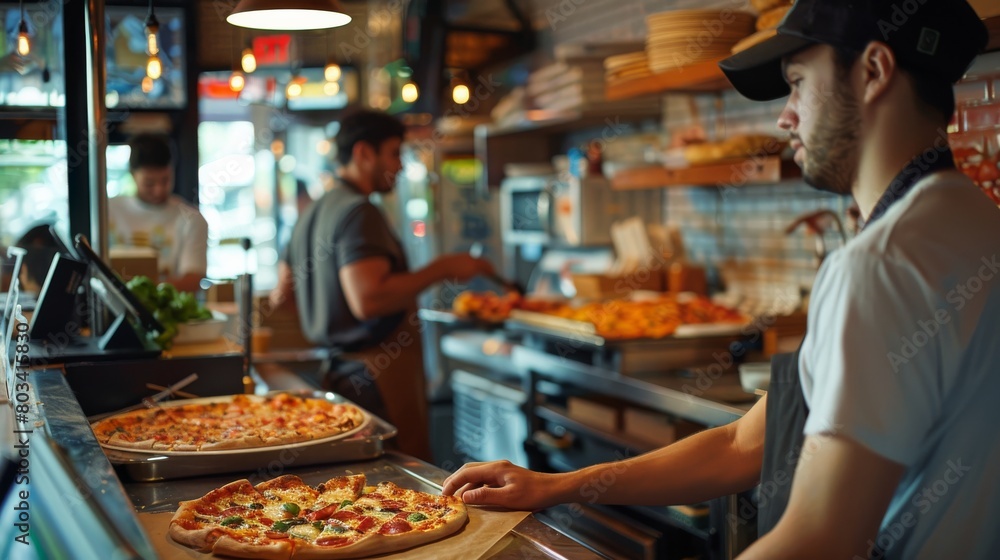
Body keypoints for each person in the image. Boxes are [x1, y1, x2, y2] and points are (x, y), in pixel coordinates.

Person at [444, 1, 1000, 558]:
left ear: (875, 72)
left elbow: (819, 537)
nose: (786, 118)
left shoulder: (877, 265)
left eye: (799, 84)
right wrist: (554, 486)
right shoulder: (976, 222)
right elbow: (743, 443)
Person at [270, 109, 494, 461]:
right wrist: (443, 268)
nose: (401, 166)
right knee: (402, 491)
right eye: (394, 153)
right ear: (363, 153)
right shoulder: (360, 211)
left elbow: (281, 296)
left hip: (340, 371)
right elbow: (369, 300)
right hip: (378, 375)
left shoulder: (312, 212)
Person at [107, 133, 208, 293]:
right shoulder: (107, 211)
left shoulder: (191, 219)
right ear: (133, 175)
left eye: (165, 180)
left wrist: (139, 294)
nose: (159, 190)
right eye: (149, 183)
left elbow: (193, 278)